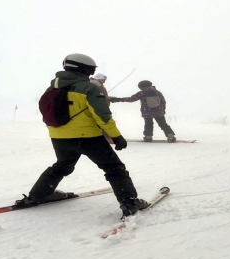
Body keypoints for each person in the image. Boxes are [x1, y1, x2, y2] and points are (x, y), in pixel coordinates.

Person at [15, 54, 149, 218]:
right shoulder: (89, 88)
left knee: (62, 166)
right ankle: (130, 203)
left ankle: (39, 195)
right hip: (88, 137)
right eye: (91, 69)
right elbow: (103, 116)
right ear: (84, 68)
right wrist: (116, 136)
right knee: (114, 168)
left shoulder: (51, 89)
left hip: (59, 137)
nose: (91, 73)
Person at [110, 80, 176, 143]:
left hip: (147, 112)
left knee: (148, 124)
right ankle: (170, 136)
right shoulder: (157, 92)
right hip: (158, 112)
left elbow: (131, 99)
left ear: (142, 86)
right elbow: (163, 102)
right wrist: (163, 110)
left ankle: (148, 137)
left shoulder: (142, 93)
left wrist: (117, 99)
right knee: (163, 124)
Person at [90, 73, 112, 143]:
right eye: (103, 79)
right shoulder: (95, 85)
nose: (105, 81)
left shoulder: (98, 85)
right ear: (99, 78)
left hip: (101, 105)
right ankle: (107, 138)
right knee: (104, 121)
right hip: (99, 106)